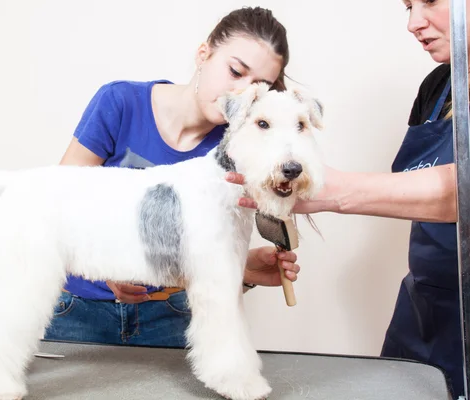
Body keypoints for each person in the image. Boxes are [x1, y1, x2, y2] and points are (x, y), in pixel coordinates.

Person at [235, 0, 469, 397]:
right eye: (407, 6)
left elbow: (457, 193)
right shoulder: (438, 88)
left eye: (429, 0)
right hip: (423, 308)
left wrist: (330, 191)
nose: (413, 22)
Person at [43, 7, 301, 348]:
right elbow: (58, 204)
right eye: (235, 71)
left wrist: (246, 269)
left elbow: (201, 260)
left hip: (170, 318)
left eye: (258, 87)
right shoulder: (120, 102)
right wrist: (108, 267)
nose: (241, 92)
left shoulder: (236, 153)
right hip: (78, 313)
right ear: (203, 54)